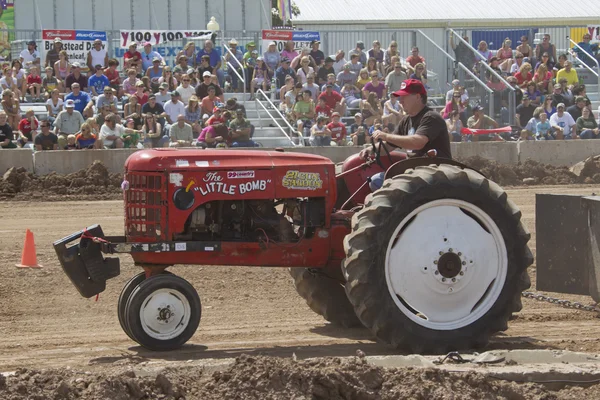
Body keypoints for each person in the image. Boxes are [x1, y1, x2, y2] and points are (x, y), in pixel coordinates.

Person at [361, 79, 451, 191]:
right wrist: (371, 150)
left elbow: (417, 143)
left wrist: (384, 135)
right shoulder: (406, 121)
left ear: (418, 97)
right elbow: (388, 146)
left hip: (433, 173)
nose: (401, 101)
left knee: (378, 182)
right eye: (400, 97)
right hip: (415, 172)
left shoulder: (430, 117)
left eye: (404, 96)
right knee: (375, 181)